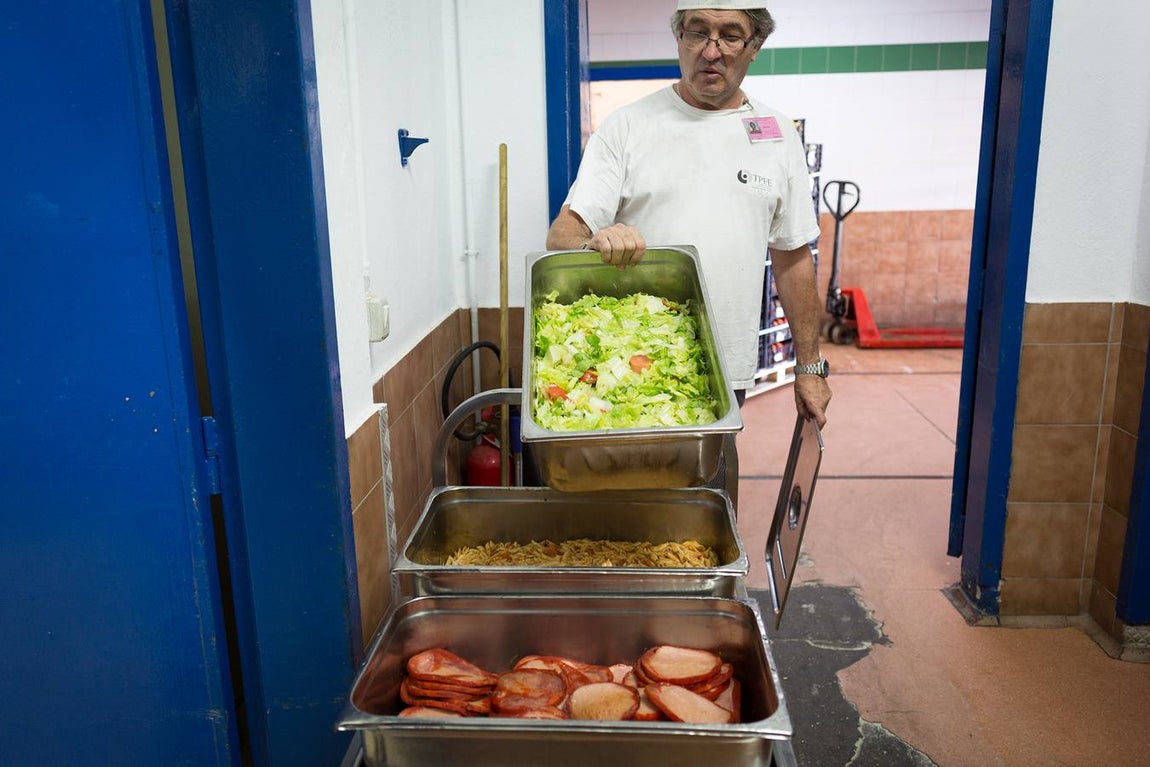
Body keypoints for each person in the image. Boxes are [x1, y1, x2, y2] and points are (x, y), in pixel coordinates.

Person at [545, 0, 831, 431]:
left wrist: (809, 367)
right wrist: (594, 243)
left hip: (723, 371)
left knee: (709, 492)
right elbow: (562, 236)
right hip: (629, 367)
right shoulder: (628, 126)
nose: (711, 51)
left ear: (756, 46)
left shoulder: (778, 136)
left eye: (730, 35)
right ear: (679, 38)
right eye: (697, 32)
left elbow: (792, 259)